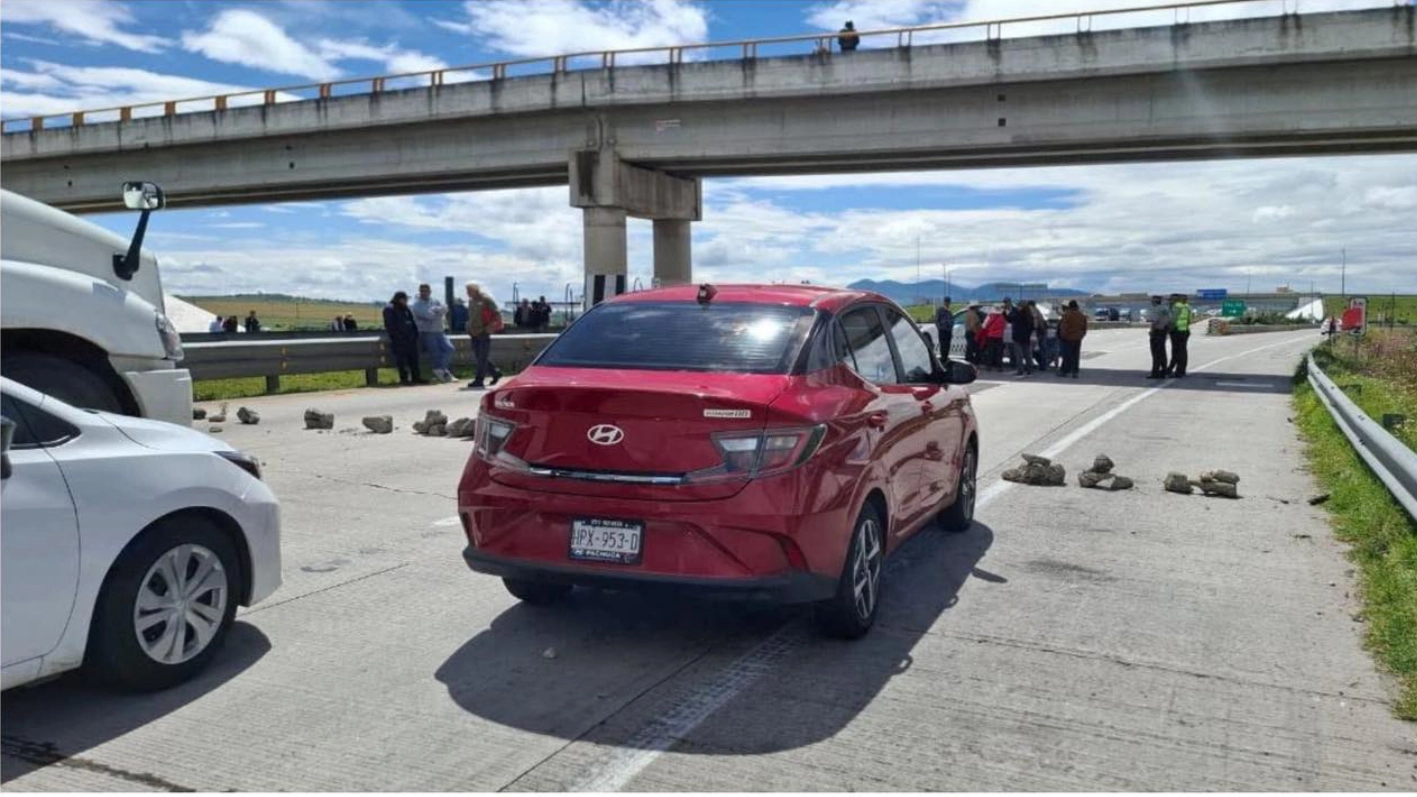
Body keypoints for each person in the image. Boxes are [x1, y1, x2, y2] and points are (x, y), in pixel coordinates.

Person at [412, 283, 455, 383]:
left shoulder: (435, 301)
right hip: (427, 332)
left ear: (430, 291)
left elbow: (446, 308)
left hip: (439, 330)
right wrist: (439, 312)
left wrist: (436, 311)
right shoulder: (417, 305)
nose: (424, 293)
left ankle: (440, 370)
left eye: (426, 291)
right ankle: (443, 373)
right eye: (422, 291)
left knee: (449, 349)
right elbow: (428, 315)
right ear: (419, 291)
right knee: (436, 353)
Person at [464, 282, 503, 390]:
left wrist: (491, 326)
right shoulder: (471, 301)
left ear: (476, 290)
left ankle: (479, 379)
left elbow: (497, 313)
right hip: (473, 331)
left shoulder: (486, 299)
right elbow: (471, 316)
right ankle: (495, 372)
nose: (467, 293)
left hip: (484, 331)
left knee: (482, 357)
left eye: (469, 291)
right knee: (480, 356)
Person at [1058, 300, 1088, 378]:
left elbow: (1063, 327)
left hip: (1068, 338)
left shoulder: (1067, 315)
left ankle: (1064, 371)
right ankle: (1075, 372)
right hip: (1078, 338)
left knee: (1067, 355)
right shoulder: (1081, 315)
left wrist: (1062, 336)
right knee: (1076, 355)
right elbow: (1085, 327)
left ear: (1069, 306)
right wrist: (1082, 335)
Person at [1146, 295, 1173, 379]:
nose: (1151, 301)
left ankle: (1155, 372)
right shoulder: (1165, 308)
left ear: (1154, 301)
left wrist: (1152, 331)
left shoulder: (1156, 309)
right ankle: (1164, 371)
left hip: (1157, 331)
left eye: (1152, 300)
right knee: (1162, 352)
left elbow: (1155, 321)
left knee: (1156, 353)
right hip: (1164, 331)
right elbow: (1169, 320)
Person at [1166, 293, 1192, 378]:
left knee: (1176, 352)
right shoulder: (1187, 307)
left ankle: (1177, 371)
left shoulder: (1176, 307)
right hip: (1185, 330)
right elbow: (1189, 320)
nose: (1169, 300)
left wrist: (1168, 330)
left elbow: (1173, 320)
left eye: (1171, 299)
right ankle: (1180, 370)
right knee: (1182, 352)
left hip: (1177, 330)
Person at [1009, 298, 1035, 377]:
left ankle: (1020, 370)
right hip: (1026, 337)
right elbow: (1032, 326)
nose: (1017, 307)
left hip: (1017, 337)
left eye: (1018, 306)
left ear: (1021, 306)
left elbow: (1010, 319)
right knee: (1028, 354)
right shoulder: (1029, 314)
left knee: (1019, 355)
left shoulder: (1017, 314)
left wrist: (1004, 313)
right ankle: (1029, 370)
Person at [981, 306, 1006, 371]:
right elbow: (1004, 326)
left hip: (991, 336)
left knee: (990, 351)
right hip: (999, 336)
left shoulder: (990, 316)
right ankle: (999, 366)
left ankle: (989, 366)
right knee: (999, 352)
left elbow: (984, 326)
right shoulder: (1002, 317)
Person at [934, 296, 953, 361]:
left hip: (948, 331)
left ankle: (946, 357)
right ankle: (943, 359)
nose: (948, 303)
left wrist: (951, 329)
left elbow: (951, 321)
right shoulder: (940, 310)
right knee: (943, 346)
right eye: (946, 302)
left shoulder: (950, 312)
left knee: (947, 345)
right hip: (943, 331)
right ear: (944, 302)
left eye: (949, 302)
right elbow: (936, 320)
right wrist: (940, 328)